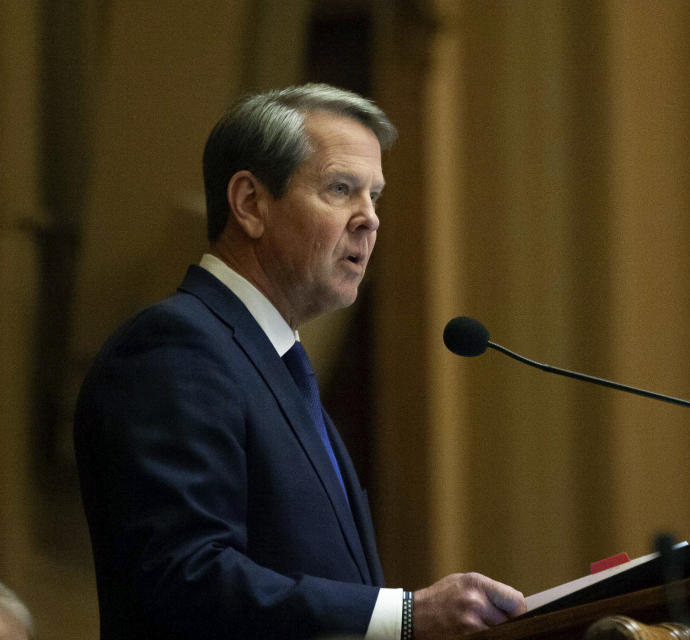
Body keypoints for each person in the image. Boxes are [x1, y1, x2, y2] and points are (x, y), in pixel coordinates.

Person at [74, 83, 526, 640]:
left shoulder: (276, 363)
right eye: (341, 189)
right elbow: (182, 577)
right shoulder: (175, 349)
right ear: (250, 204)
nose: (370, 220)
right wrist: (406, 615)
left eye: (374, 196)